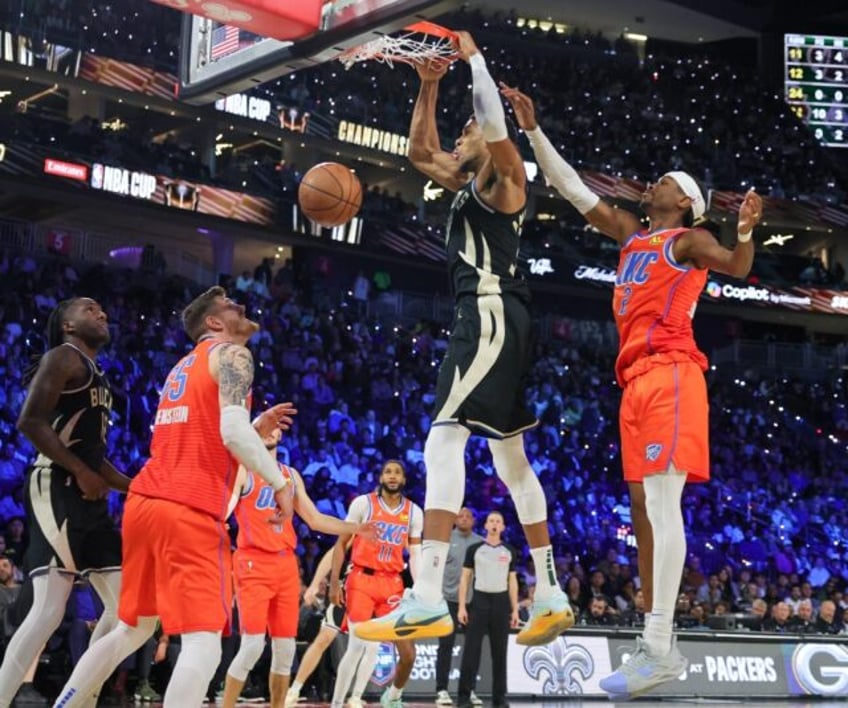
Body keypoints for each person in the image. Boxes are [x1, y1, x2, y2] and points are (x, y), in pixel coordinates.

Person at [500, 83, 763, 698]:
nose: (656, 184)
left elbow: (737, 266)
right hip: (634, 382)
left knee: (665, 507)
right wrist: (534, 132)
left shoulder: (687, 241)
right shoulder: (629, 234)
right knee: (643, 514)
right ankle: (658, 644)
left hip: (673, 372)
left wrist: (746, 231)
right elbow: (572, 191)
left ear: (686, 201)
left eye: (668, 181)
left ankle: (658, 645)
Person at [355, 30, 572, 649]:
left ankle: (424, 597)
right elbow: (422, 153)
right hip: (501, 319)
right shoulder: (468, 183)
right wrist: (427, 86)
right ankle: (551, 591)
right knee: (511, 461)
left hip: (489, 314)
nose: (461, 135)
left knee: (442, 438)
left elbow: (490, 125)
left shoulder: (506, 183)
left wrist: (475, 59)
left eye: (469, 131)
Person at [54, 286, 298, 707]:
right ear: (214, 323)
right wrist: (279, 482)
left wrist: (255, 427)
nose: (241, 307)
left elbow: (206, 432)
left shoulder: (182, 367)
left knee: (133, 629)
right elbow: (230, 433)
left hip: (146, 504)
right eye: (229, 307)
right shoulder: (233, 354)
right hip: (190, 509)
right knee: (205, 644)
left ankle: (65, 704)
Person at [0, 298, 130, 708]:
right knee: (48, 610)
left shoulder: (96, 375)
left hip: (84, 490)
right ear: (68, 325)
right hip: (54, 484)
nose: (102, 313)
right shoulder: (63, 356)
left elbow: (94, 458)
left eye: (102, 309)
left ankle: (79, 699)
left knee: (130, 609)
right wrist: (80, 471)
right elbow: (30, 420)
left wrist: (136, 486)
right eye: (90, 309)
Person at [220, 426, 376, 708]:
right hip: (252, 561)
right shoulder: (243, 470)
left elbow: (315, 519)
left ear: (280, 434)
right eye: (264, 425)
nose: (269, 431)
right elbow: (222, 511)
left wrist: (356, 528)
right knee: (253, 646)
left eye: (274, 427)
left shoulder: (290, 476)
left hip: (285, 564)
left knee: (285, 649)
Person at [330, 461, 422, 708]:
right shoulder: (363, 503)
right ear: (381, 477)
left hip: (392, 583)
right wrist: (333, 583)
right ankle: (338, 702)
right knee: (358, 644)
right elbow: (341, 543)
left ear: (403, 480)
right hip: (362, 578)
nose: (392, 476)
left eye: (397, 473)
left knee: (390, 649)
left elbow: (415, 553)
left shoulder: (413, 512)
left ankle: (358, 698)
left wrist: (422, 586)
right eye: (388, 472)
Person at [285, 545, 375, 708]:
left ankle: (356, 696)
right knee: (323, 639)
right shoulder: (359, 527)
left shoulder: (398, 528)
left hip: (376, 589)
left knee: (371, 646)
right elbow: (333, 552)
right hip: (349, 588)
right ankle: (294, 690)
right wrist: (314, 584)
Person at [456, 511, 518, 708]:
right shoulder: (475, 549)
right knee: (471, 650)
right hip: (479, 600)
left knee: (500, 652)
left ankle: (500, 698)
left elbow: (513, 581)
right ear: (485, 525)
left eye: (498, 521)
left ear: (502, 527)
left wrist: (515, 609)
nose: (494, 524)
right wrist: (462, 607)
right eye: (491, 521)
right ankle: (464, 697)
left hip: (500, 602)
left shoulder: (509, 550)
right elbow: (465, 579)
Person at [435, 508, 484, 706]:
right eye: (460, 516)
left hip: (473, 600)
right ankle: (441, 690)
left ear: (473, 521)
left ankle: (469, 689)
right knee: (445, 645)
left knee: (473, 648)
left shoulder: (481, 542)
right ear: (455, 520)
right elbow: (436, 567)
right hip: (448, 599)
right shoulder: (445, 539)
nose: (464, 519)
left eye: (468, 516)